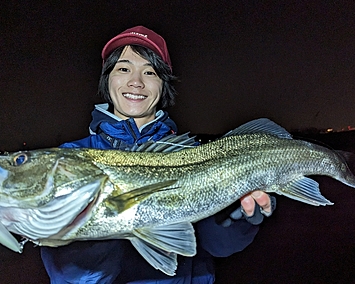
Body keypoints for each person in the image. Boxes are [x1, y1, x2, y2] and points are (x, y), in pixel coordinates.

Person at [41, 26, 276, 284]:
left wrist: (240, 215)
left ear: (163, 85)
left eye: (150, 72)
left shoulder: (193, 155)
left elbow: (217, 245)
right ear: (106, 80)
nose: (136, 82)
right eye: (123, 68)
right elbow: (71, 275)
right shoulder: (68, 160)